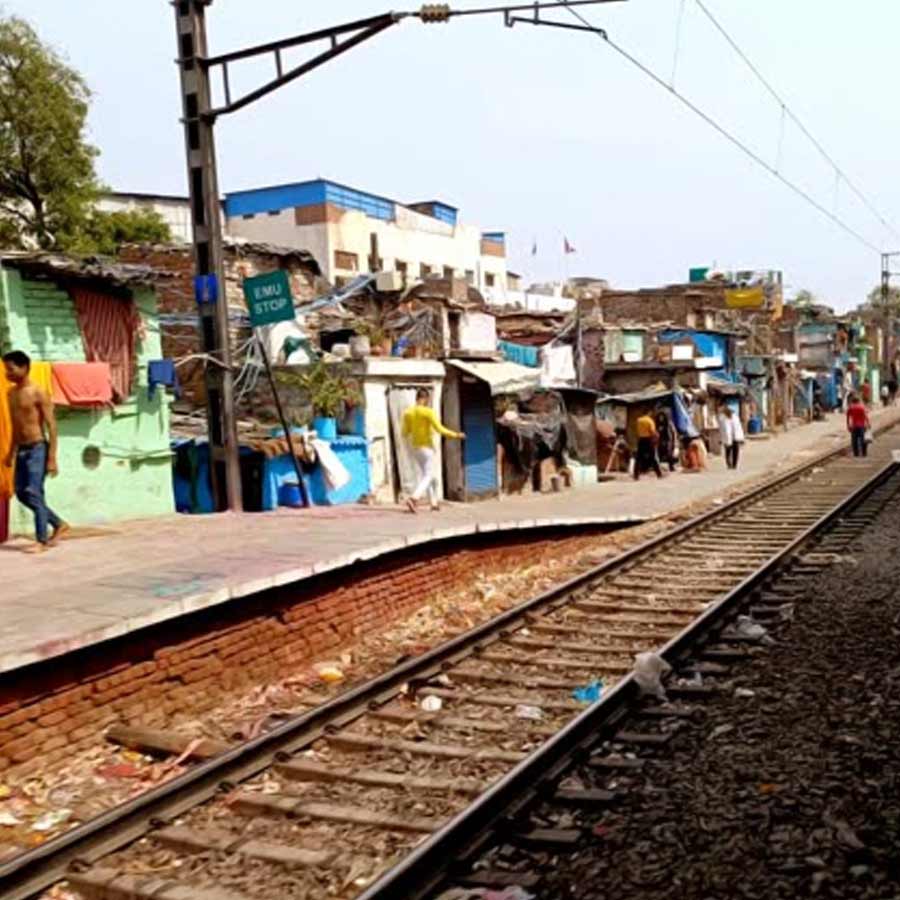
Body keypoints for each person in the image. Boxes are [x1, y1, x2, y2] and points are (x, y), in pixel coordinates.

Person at [2, 350, 69, 552]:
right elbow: (15, 425)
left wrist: (52, 457)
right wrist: (10, 452)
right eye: (6, 370)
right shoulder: (11, 393)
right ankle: (58, 524)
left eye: (11, 369)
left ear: (24, 367)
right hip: (21, 450)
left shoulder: (38, 391)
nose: (8, 374)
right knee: (22, 493)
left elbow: (52, 425)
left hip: (38, 448)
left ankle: (42, 540)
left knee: (34, 492)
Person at [401, 388, 464, 513]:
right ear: (425, 399)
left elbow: (404, 433)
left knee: (428, 475)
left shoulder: (408, 413)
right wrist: (456, 435)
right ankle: (414, 498)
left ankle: (434, 503)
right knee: (428, 475)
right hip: (426, 448)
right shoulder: (428, 412)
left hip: (415, 448)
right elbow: (439, 429)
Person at [633, 411, 663, 480]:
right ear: (649, 413)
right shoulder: (650, 421)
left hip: (641, 440)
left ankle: (636, 475)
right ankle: (659, 474)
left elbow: (637, 431)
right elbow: (652, 431)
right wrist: (656, 436)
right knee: (653, 457)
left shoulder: (639, 420)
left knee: (638, 458)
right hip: (648, 440)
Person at [718, 405, 745, 470]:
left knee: (732, 451)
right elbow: (723, 429)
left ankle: (732, 464)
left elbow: (737, 428)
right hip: (731, 437)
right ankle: (731, 464)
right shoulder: (725, 418)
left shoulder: (731, 417)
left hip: (733, 436)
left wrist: (741, 437)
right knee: (731, 451)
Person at [846, 392, 870, 458]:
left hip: (854, 426)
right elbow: (865, 417)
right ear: (858, 401)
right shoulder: (862, 407)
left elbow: (848, 418)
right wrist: (868, 424)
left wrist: (848, 426)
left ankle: (856, 454)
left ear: (852, 401)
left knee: (854, 441)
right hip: (862, 426)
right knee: (863, 440)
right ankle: (864, 453)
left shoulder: (850, 408)